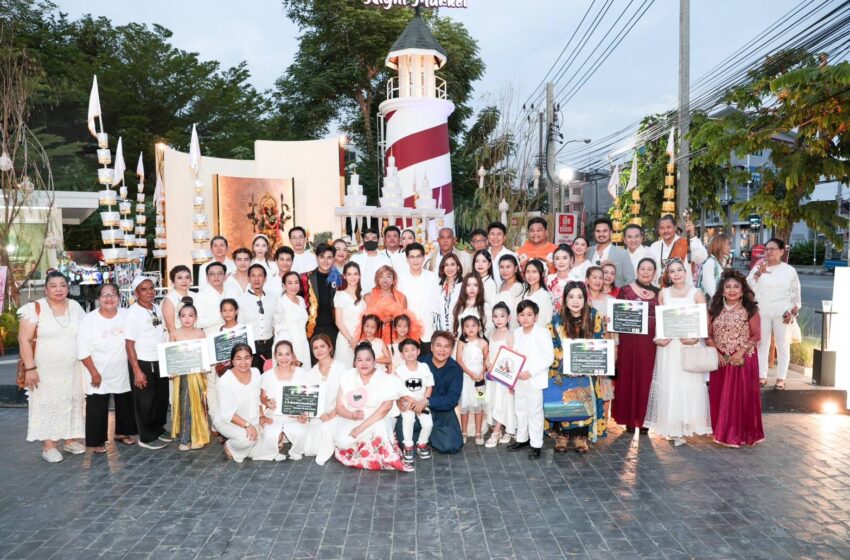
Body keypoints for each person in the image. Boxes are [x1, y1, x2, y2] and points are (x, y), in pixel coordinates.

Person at [19, 271, 85, 463]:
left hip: (73, 368)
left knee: (71, 401)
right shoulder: (34, 309)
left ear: (68, 287)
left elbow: (86, 332)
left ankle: (70, 439)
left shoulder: (74, 306)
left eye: (63, 285)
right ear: (46, 288)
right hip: (44, 369)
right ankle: (48, 446)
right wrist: (30, 368)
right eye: (54, 285)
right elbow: (24, 340)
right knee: (47, 404)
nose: (59, 289)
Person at [644, 259, 712, 446]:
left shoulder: (696, 293)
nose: (676, 274)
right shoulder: (663, 293)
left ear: (685, 271)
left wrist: (696, 338)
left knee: (687, 383)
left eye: (679, 270)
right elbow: (660, 320)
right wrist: (658, 338)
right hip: (669, 347)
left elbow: (704, 320)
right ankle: (671, 428)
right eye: (672, 271)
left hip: (688, 345)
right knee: (670, 383)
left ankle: (685, 425)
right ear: (668, 274)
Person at [546, 281, 607, 453]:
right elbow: (553, 345)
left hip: (586, 370)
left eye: (580, 297)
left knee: (584, 400)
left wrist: (582, 364)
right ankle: (562, 436)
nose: (575, 301)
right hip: (563, 369)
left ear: (585, 298)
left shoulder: (594, 316)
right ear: (565, 299)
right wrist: (567, 363)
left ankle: (581, 437)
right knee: (564, 399)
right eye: (571, 296)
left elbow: (598, 342)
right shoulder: (557, 321)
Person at [707, 270, 765, 447]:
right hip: (721, 360)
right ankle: (721, 431)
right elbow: (708, 335)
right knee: (721, 397)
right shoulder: (714, 309)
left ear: (742, 290)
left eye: (736, 287)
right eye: (728, 287)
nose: (732, 290)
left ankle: (739, 434)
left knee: (740, 398)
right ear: (722, 290)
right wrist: (716, 353)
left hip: (743, 361)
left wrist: (740, 352)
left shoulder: (750, 309)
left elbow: (756, 336)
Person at [333, 343, 411, 472]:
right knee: (343, 441)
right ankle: (369, 455)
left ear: (374, 362)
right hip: (355, 416)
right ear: (354, 362)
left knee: (379, 427)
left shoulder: (386, 378)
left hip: (380, 417)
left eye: (368, 359)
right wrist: (351, 415)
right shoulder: (347, 377)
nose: (364, 363)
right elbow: (339, 406)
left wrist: (361, 427)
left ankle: (387, 457)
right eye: (360, 360)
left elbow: (386, 407)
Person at [78, 283, 137, 453]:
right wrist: (94, 373)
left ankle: (122, 432)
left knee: (125, 400)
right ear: (98, 299)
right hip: (97, 369)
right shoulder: (89, 320)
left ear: (119, 297)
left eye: (112, 294)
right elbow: (82, 350)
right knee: (97, 405)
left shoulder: (127, 315)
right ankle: (96, 442)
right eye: (104, 295)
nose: (109, 298)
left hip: (122, 369)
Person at [611, 258, 659, 433]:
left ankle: (645, 419)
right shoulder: (625, 290)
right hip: (629, 342)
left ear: (655, 273)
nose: (646, 272)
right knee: (629, 377)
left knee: (647, 379)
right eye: (643, 269)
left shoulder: (660, 293)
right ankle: (629, 419)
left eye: (650, 269)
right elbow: (616, 316)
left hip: (651, 344)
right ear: (637, 271)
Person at [746, 238, 801, 390]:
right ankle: (761, 376)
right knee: (762, 344)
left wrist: (793, 311)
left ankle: (781, 378)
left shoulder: (789, 270)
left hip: (782, 312)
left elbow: (795, 292)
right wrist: (758, 273)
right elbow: (748, 285)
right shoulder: (759, 267)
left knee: (782, 345)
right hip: (762, 310)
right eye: (766, 249)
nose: (768, 252)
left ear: (781, 252)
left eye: (772, 249)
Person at [216, 344, 284, 462]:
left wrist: (262, 416)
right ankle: (230, 447)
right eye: (238, 358)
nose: (243, 362)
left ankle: (248, 447)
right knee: (248, 440)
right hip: (228, 420)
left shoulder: (256, 373)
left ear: (252, 359)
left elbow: (257, 398)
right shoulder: (225, 380)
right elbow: (227, 413)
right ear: (232, 360)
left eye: (247, 358)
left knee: (278, 436)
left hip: (252, 419)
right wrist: (247, 425)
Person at [125, 276, 169, 450]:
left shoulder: (157, 308)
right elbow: (129, 344)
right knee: (145, 402)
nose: (149, 292)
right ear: (136, 293)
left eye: (151, 288)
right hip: (143, 362)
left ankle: (158, 429)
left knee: (161, 399)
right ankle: (146, 436)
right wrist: (137, 371)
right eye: (144, 289)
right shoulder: (133, 314)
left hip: (159, 360)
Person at [508, 300, 555, 460]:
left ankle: (536, 444)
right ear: (517, 317)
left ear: (536, 316)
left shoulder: (542, 333)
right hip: (519, 380)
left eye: (529, 314)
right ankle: (522, 438)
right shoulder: (516, 333)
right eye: (522, 315)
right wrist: (511, 379)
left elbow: (549, 357)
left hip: (534, 379)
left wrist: (531, 372)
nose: (525, 318)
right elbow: (512, 357)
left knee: (535, 412)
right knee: (520, 410)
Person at [167, 304, 210, 451]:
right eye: (183, 315)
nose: (187, 318)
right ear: (179, 318)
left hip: (197, 376)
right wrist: (170, 371)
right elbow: (170, 356)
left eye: (191, 315)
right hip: (181, 376)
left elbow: (205, 355)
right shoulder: (174, 333)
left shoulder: (200, 333)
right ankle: (185, 438)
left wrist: (205, 366)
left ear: (196, 318)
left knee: (197, 405)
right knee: (184, 405)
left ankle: (197, 436)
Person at [260, 340, 310, 459]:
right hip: (274, 415)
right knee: (270, 437)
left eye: (287, 354)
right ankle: (280, 436)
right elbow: (262, 397)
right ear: (275, 356)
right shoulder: (267, 375)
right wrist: (267, 402)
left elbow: (308, 398)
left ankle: (285, 436)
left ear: (292, 355)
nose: (284, 358)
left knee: (300, 434)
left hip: (295, 415)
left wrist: (305, 414)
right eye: (280, 354)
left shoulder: (303, 373)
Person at [303, 334, 346, 464]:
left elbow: (346, 396)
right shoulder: (311, 373)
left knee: (326, 429)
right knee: (308, 447)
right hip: (319, 416)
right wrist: (310, 414)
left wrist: (333, 414)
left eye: (322, 346)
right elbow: (310, 400)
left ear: (330, 348)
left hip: (339, 413)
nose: (319, 350)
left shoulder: (341, 368)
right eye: (315, 348)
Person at [418, 331, 464, 454]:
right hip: (419, 410)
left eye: (446, 346)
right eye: (438, 345)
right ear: (432, 347)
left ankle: (430, 436)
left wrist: (428, 401)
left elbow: (452, 400)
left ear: (451, 350)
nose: (442, 350)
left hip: (443, 412)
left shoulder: (456, 369)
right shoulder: (420, 363)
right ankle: (428, 436)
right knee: (405, 441)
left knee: (451, 446)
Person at [395, 338, 435, 464]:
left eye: (413, 349)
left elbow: (429, 385)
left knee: (428, 424)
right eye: (406, 350)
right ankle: (408, 446)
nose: (410, 352)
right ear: (402, 354)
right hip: (407, 402)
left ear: (418, 351)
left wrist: (424, 401)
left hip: (421, 402)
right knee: (408, 419)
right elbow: (399, 389)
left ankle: (421, 444)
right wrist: (411, 401)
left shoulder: (424, 367)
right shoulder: (399, 370)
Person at [363, 265, 422, 346]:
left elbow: (405, 321)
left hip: (396, 339)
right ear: (377, 280)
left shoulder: (401, 298)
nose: (385, 280)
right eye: (381, 277)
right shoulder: (369, 297)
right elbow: (365, 321)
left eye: (388, 277)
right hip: (375, 338)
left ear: (394, 280)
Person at [397, 242, 439, 355]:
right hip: (408, 330)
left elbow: (437, 304)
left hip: (428, 329)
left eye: (418, 256)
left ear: (424, 257)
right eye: (412, 257)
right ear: (407, 259)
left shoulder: (433, 278)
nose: (415, 260)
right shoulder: (400, 278)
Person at [484, 303, 515, 447]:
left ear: (508, 318)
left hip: (503, 374)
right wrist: (487, 363)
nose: (499, 319)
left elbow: (511, 357)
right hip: (492, 375)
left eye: (502, 316)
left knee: (504, 401)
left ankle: (496, 432)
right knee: (494, 401)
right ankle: (503, 428)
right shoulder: (492, 333)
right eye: (495, 316)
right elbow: (489, 352)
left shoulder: (510, 334)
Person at [237, 264, 277, 369]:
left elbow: (276, 323)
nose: (256, 279)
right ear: (248, 278)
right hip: (250, 347)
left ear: (265, 278)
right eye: (253, 276)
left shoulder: (272, 298)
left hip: (269, 345)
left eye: (260, 275)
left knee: (269, 376)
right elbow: (239, 326)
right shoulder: (241, 300)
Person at [456, 315, 489, 445]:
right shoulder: (462, 343)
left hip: (479, 380)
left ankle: (478, 432)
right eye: (467, 326)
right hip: (466, 377)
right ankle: (464, 431)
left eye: (473, 325)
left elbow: (487, 360)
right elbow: (459, 360)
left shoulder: (483, 343)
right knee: (464, 405)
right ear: (463, 329)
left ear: (479, 327)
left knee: (479, 404)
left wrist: (481, 373)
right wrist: (470, 373)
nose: (470, 328)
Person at [649, 214, 707, 286]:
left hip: (684, 292)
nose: (665, 230)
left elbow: (702, 257)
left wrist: (692, 235)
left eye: (668, 227)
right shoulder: (654, 247)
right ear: (659, 231)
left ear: (675, 227)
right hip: (661, 292)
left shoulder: (686, 243)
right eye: (662, 228)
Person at [302, 244, 339, 348]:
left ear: (334, 259)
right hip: (312, 329)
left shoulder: (339, 279)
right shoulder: (305, 278)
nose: (325, 261)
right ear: (317, 258)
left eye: (329, 257)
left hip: (334, 329)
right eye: (322, 257)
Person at [273, 271, 311, 367]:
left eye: (296, 282)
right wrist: (290, 354)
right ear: (284, 285)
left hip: (303, 344)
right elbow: (279, 330)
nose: (294, 286)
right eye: (289, 283)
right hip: (288, 348)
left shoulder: (301, 300)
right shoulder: (280, 303)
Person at [334, 262, 366, 368]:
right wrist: (351, 340)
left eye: (356, 274)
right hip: (345, 339)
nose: (353, 277)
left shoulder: (364, 296)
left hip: (361, 338)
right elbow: (338, 321)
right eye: (349, 274)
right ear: (344, 276)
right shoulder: (339, 295)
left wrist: (359, 338)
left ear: (360, 275)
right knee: (343, 369)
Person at [195, 262, 240, 335]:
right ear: (207, 278)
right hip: (212, 337)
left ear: (225, 276)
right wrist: (221, 317)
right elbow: (197, 323)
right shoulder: (200, 296)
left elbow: (239, 314)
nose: (216, 277)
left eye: (219, 273)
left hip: (235, 334)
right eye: (212, 274)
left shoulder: (233, 292)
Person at [589, 218, 635, 286]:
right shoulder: (588, 252)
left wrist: (618, 294)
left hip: (613, 295)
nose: (601, 234)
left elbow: (630, 279)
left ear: (610, 232)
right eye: (598, 231)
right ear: (594, 233)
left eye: (605, 231)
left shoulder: (622, 253)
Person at [351, 228, 391, 293]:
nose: (370, 241)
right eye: (367, 238)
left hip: (379, 297)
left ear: (378, 240)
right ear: (363, 240)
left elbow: (390, 280)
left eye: (373, 238)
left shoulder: (386, 260)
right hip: (358, 296)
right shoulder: (355, 258)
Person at [452, 272, 490, 336]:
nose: (472, 288)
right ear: (464, 287)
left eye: (475, 285)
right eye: (468, 285)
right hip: (461, 344)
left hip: (479, 343)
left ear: (480, 287)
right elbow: (454, 328)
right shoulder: (459, 306)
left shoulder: (485, 307)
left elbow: (489, 329)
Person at [435, 253, 463, 332]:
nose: (449, 268)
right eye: (446, 265)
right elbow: (436, 312)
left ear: (458, 267)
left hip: (458, 331)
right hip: (442, 332)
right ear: (443, 268)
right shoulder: (438, 286)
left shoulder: (463, 285)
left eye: (452, 264)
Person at [495, 254, 525, 329]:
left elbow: (518, 312)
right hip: (500, 326)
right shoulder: (501, 285)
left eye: (508, 267)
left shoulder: (519, 287)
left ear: (515, 268)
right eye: (501, 267)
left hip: (513, 327)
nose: (504, 270)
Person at [162, 265, 192, 335]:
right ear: (173, 281)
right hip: (178, 338)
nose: (184, 281)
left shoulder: (195, 295)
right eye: (180, 278)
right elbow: (171, 327)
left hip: (195, 335)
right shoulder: (169, 299)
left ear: (191, 280)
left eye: (187, 277)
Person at [699, 234, 731, 299]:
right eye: (727, 244)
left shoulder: (717, 263)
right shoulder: (710, 263)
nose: (729, 247)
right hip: (712, 305)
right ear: (719, 245)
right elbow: (711, 290)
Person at [522, 259, 553, 326]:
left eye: (534, 272)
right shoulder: (525, 293)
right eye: (528, 272)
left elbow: (546, 321)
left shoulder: (543, 295)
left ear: (542, 274)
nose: (530, 275)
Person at [486, 222, 517, 288]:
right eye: (492, 234)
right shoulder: (484, 255)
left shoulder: (511, 255)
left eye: (499, 234)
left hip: (505, 294)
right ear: (488, 237)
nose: (495, 237)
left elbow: (517, 278)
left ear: (504, 237)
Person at [546, 244, 574, 316]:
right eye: (557, 258)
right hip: (550, 320)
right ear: (554, 262)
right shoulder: (547, 279)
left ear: (571, 260)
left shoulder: (579, 280)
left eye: (565, 258)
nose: (561, 262)